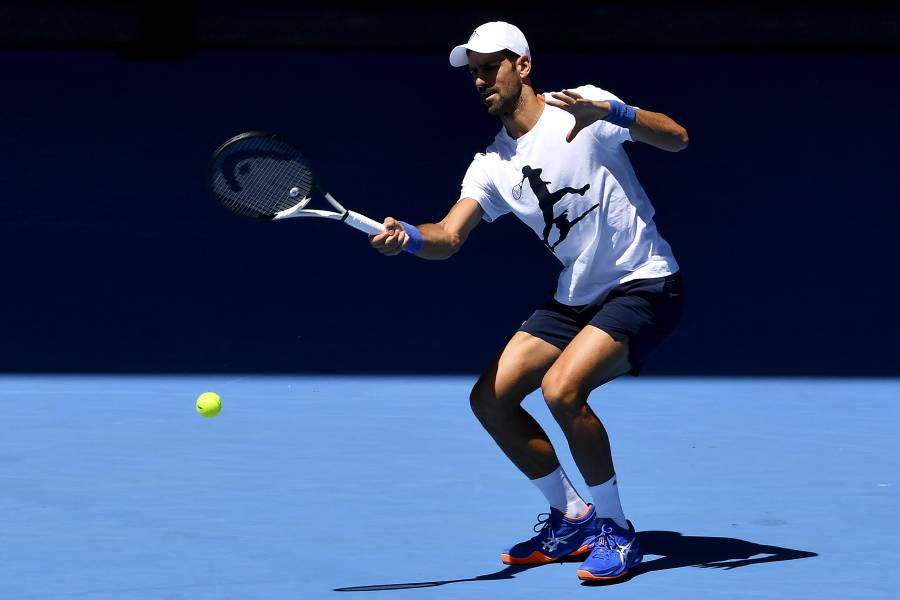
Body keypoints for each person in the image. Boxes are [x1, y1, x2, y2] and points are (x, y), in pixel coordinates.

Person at [369, 21, 687, 582]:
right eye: (473, 72)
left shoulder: (583, 108)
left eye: (490, 66)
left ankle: (616, 528)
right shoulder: (492, 164)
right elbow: (446, 237)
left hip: (645, 283)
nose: (480, 79)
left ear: (523, 65)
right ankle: (573, 515)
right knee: (490, 398)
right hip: (575, 298)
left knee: (562, 390)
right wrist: (409, 237)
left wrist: (617, 113)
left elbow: (677, 137)